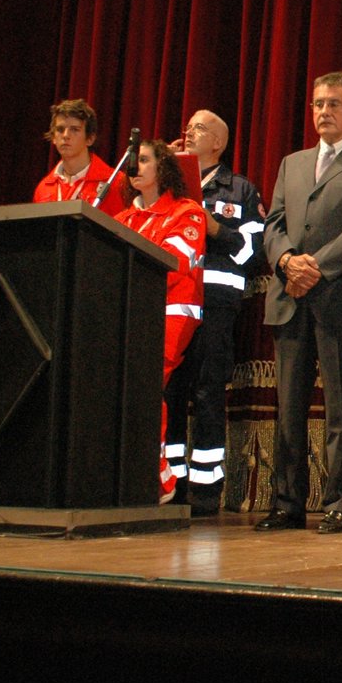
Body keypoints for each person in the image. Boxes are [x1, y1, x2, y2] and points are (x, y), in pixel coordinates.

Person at [256, 74, 342, 533]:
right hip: (289, 298)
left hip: (339, 300)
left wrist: (312, 265)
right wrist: (286, 262)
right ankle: (287, 503)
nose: (323, 112)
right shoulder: (292, 163)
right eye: (317, 104)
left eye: (334, 104)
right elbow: (273, 222)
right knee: (289, 410)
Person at [161, 110, 263, 517]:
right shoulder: (166, 186)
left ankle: (206, 491)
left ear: (218, 143)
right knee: (169, 393)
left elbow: (253, 253)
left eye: (199, 128)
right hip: (169, 304)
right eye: (187, 126)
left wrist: (215, 229)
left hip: (215, 305)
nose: (188, 131)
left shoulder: (238, 189)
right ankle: (171, 482)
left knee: (206, 393)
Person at [115, 139, 207, 504]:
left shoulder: (188, 212)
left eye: (144, 160)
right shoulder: (122, 218)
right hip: (131, 310)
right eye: (132, 161)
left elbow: (175, 261)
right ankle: (134, 473)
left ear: (163, 168)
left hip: (172, 310)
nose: (135, 167)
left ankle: (160, 480)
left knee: (144, 379)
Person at [33, 98, 126, 217]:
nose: (66, 135)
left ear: (90, 139)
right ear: (54, 138)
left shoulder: (115, 183)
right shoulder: (44, 188)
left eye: (74, 129)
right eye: (60, 130)